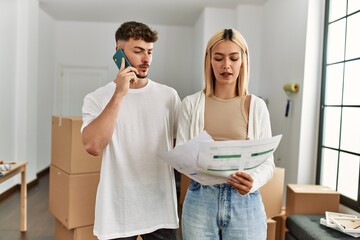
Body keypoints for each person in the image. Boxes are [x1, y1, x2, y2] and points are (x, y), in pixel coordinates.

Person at [81, 21, 180, 240]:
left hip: (160, 209)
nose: (146, 59)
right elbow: (93, 146)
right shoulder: (97, 98)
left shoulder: (169, 96)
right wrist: (119, 94)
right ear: (119, 52)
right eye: (138, 51)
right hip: (117, 211)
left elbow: (178, 145)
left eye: (150, 52)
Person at [176, 28, 274, 240]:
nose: (226, 65)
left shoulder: (256, 106)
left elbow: (268, 163)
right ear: (209, 61)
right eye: (218, 58)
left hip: (245, 202)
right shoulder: (190, 104)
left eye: (233, 58)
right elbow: (182, 154)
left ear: (243, 61)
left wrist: (253, 181)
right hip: (201, 199)